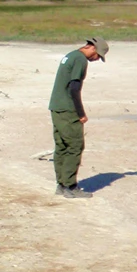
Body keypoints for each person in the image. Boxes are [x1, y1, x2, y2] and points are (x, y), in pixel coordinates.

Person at [48, 37, 108, 198]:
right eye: (98, 56)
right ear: (93, 49)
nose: (96, 60)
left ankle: (61, 184)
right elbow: (74, 88)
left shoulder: (71, 55)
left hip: (56, 106)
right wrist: (81, 114)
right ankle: (70, 186)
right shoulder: (81, 60)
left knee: (61, 146)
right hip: (68, 109)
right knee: (75, 146)